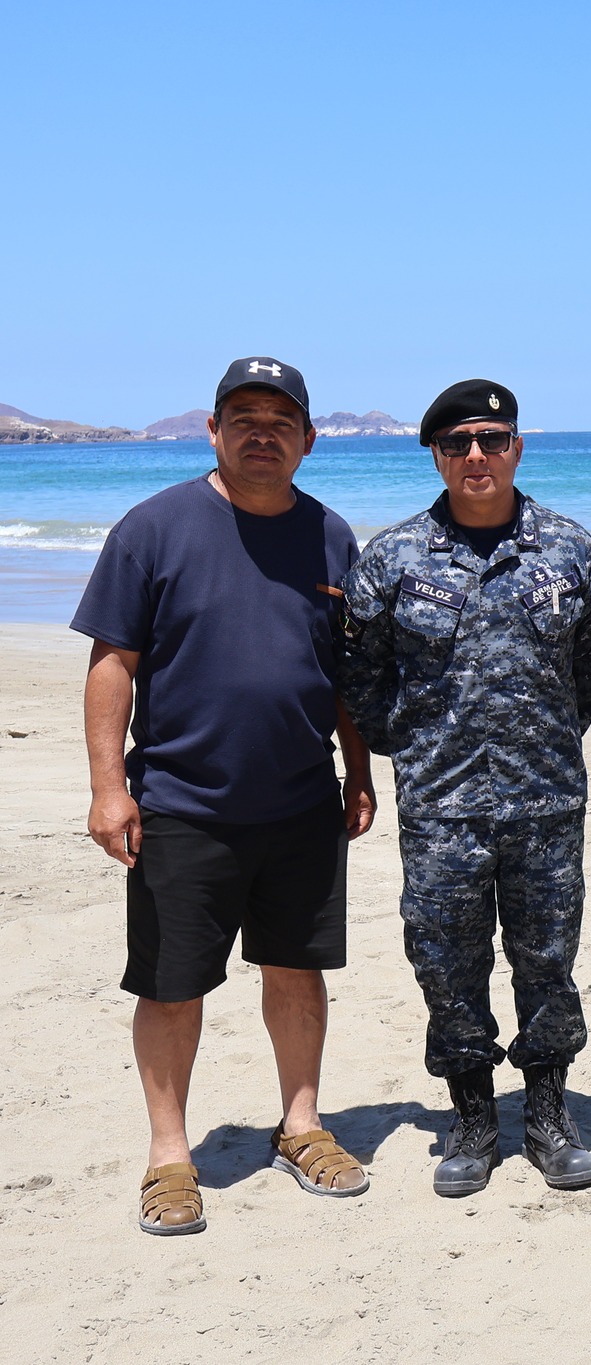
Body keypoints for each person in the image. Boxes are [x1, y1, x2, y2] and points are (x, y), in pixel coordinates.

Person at [73, 357, 376, 1235]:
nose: (261, 432)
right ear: (212, 429)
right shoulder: (154, 528)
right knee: (172, 985)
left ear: (309, 441)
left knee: (297, 968)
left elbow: (342, 676)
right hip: (180, 803)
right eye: (242, 416)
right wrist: (106, 787)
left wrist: (357, 772)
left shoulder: (331, 537)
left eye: (280, 421)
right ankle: (170, 1154)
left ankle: (303, 1124)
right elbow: (112, 664)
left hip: (299, 804)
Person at [339, 379, 591, 1197]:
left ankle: (547, 1113)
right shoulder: (393, 557)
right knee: (446, 963)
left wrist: (546, 731)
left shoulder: (569, 549)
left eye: (492, 440)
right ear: (436, 454)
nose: (476, 456)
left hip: (546, 804)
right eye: (458, 443)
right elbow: (358, 672)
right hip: (440, 811)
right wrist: (413, 746)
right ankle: (470, 1117)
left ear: (517, 449)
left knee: (547, 962)